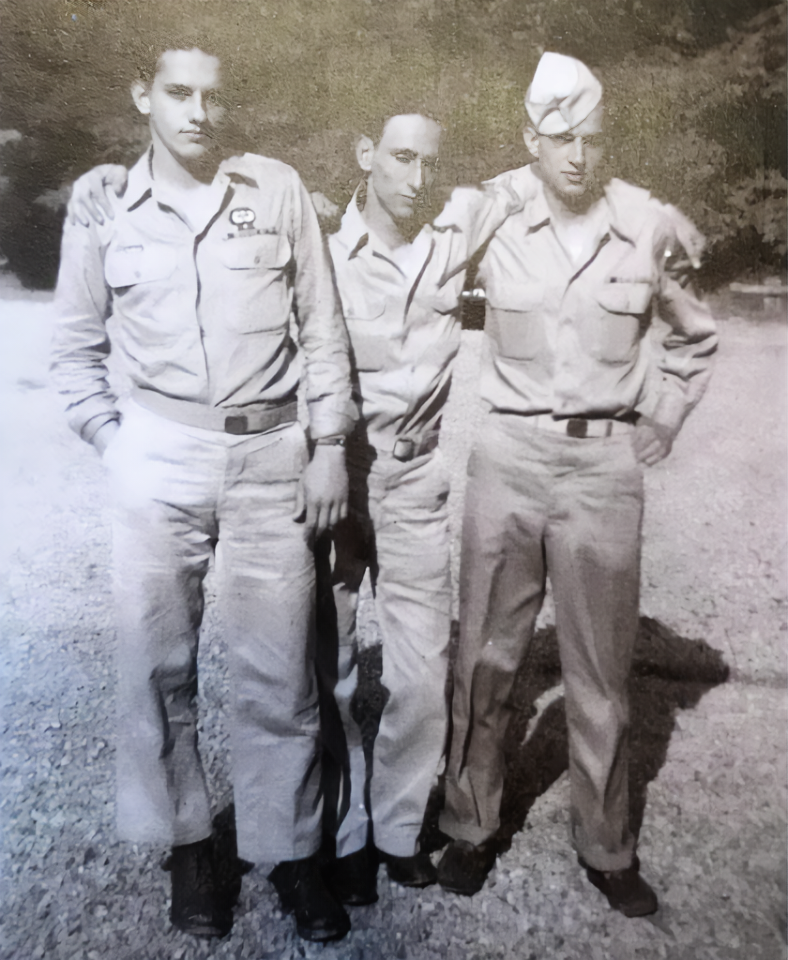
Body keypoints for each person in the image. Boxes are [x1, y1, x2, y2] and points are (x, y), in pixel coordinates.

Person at [51, 37, 356, 943]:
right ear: (142, 94)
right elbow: (74, 352)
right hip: (159, 454)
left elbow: (324, 329)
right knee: (156, 666)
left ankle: (290, 852)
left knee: (279, 671)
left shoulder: (276, 191)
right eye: (176, 93)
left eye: (211, 96)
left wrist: (330, 442)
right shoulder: (103, 204)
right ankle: (190, 844)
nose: (196, 112)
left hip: (271, 456)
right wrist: (121, 445)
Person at [436, 52, 718, 916]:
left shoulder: (644, 226)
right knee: (486, 658)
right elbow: (408, 260)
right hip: (508, 460)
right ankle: (469, 824)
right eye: (559, 139)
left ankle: (606, 847)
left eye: (592, 140)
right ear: (531, 140)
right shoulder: (490, 214)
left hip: (602, 469)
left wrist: (665, 412)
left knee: (600, 672)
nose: (577, 157)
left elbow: (694, 335)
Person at [318, 112, 533, 906]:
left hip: (412, 483)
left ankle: (396, 830)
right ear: (364, 152)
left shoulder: (454, 227)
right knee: (330, 669)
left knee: (419, 671)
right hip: (335, 479)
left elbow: (536, 170)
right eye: (400, 157)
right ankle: (340, 836)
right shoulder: (321, 249)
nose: (415, 177)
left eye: (429, 163)